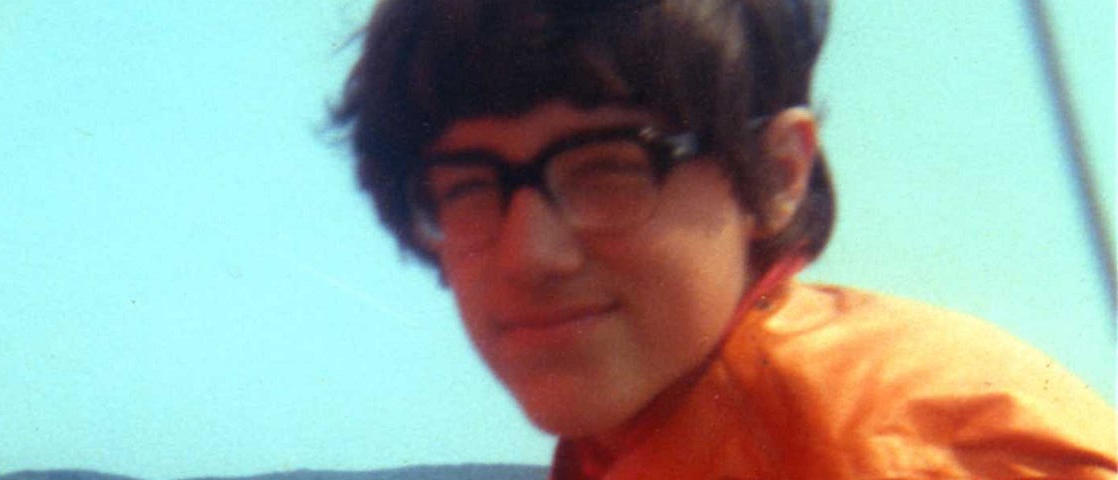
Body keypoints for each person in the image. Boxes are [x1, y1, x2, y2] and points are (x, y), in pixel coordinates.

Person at [330, 0, 1117, 478]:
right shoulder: (653, 425)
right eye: (468, 188)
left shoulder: (890, 453)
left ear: (777, 174)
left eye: (609, 169)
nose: (527, 253)